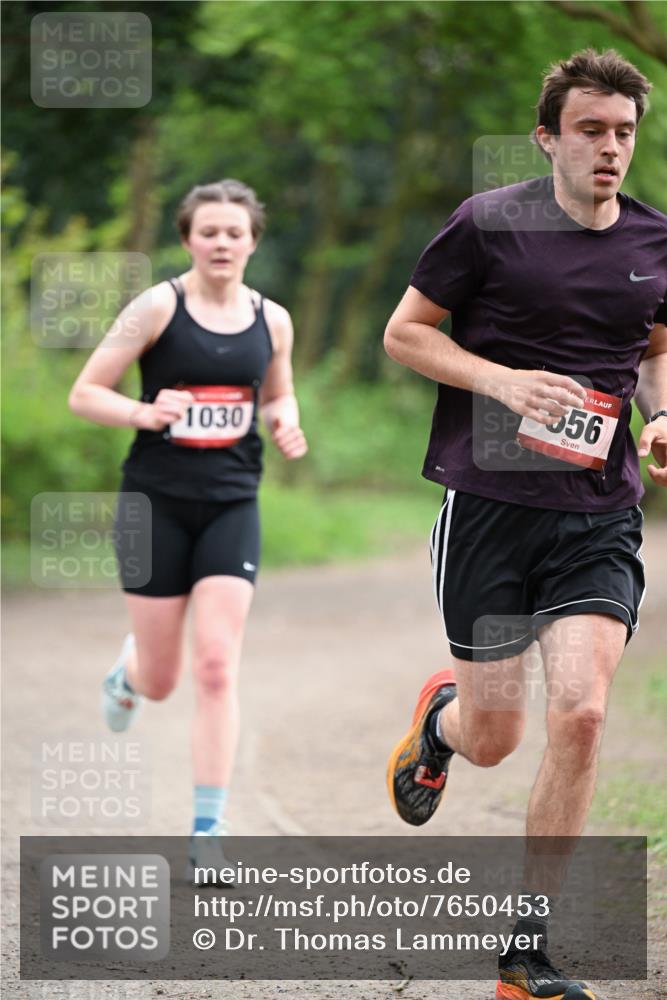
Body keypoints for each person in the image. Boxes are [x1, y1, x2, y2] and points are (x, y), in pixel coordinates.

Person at [384, 50, 666, 1000]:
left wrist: (659, 414)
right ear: (547, 135)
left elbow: (656, 348)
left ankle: (525, 949)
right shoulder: (487, 224)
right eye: (590, 130)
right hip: (491, 509)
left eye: (623, 133)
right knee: (496, 734)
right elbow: (406, 333)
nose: (609, 149)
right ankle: (440, 727)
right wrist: (499, 379)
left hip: (596, 514)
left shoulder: (657, 240)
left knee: (581, 714)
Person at [69, 179, 307, 879]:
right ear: (187, 239)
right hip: (154, 504)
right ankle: (128, 673)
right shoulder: (155, 307)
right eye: (209, 232)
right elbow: (86, 392)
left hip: (233, 503)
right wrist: (144, 413)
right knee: (164, 677)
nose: (222, 243)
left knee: (214, 665)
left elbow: (278, 390)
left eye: (235, 232)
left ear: (253, 242)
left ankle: (208, 829)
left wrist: (284, 418)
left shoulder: (275, 320)